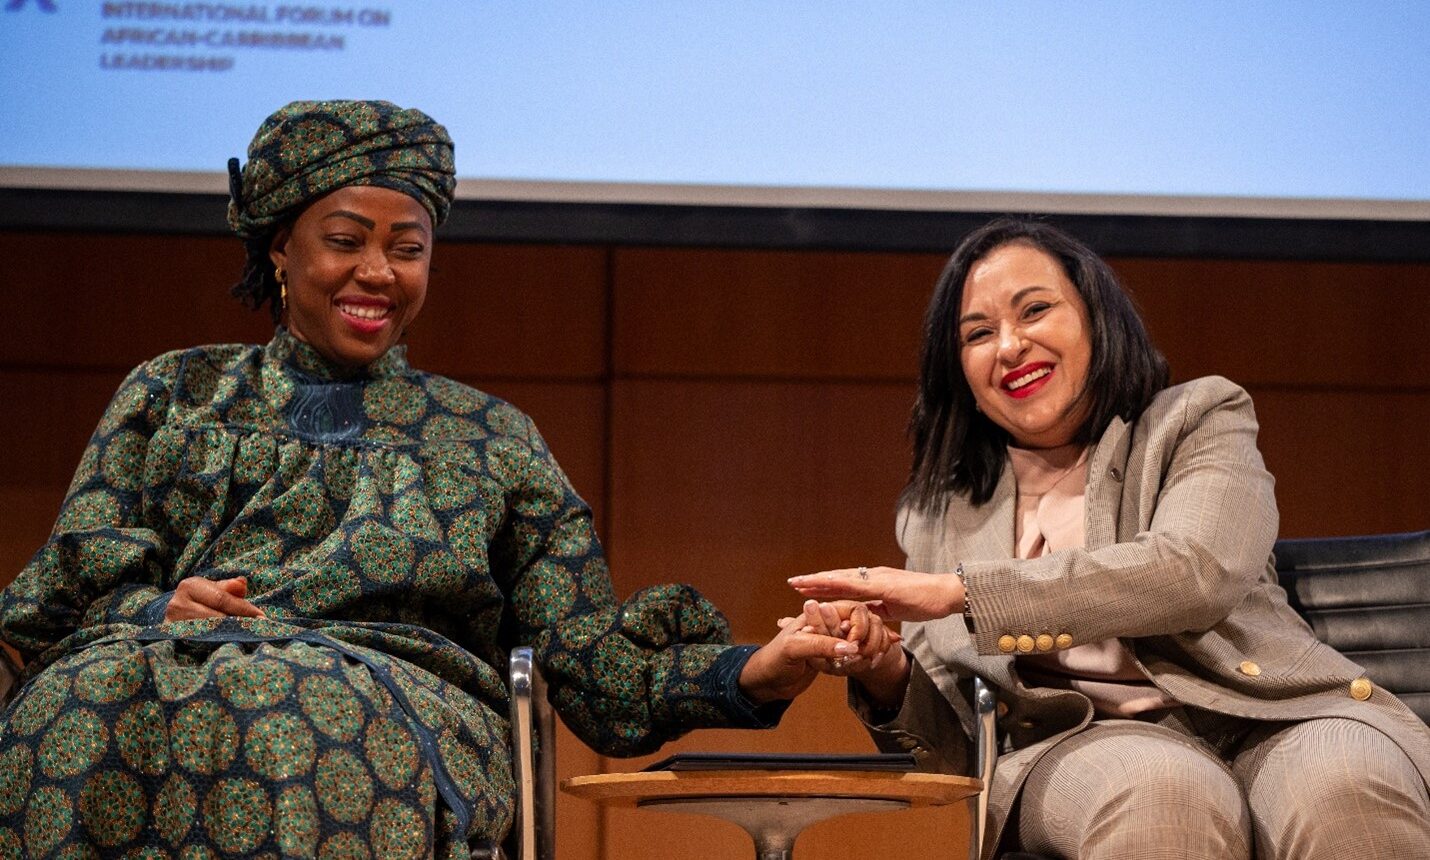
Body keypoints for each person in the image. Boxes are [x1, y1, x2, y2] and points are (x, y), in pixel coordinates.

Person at [0, 100, 867, 859]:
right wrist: (158, 610)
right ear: (279, 250)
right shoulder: (172, 393)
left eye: (407, 248)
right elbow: (62, 602)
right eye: (345, 241)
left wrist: (758, 669)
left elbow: (594, 667)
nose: (377, 272)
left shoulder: (490, 438)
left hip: (383, 707)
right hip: (164, 664)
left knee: (286, 715)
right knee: (72, 710)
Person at [788, 218, 1430, 859]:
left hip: (1271, 713)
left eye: (1034, 310)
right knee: (1164, 795)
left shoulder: (1197, 421)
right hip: (1083, 742)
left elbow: (1193, 573)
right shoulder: (939, 514)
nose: (1009, 345)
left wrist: (960, 592)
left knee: (1347, 785)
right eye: (979, 334)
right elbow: (960, 748)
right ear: (961, 374)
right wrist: (884, 669)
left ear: (1096, 318)